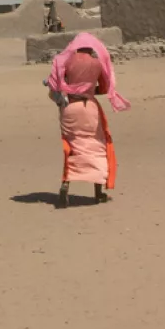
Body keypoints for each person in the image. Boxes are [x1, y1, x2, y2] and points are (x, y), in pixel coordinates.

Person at [46, 33, 130, 209]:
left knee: (72, 148)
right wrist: (88, 89)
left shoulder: (66, 62)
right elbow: (104, 88)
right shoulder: (97, 63)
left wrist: (72, 89)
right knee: (97, 146)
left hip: (70, 108)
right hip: (89, 108)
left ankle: (66, 184)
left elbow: (55, 86)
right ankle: (98, 192)